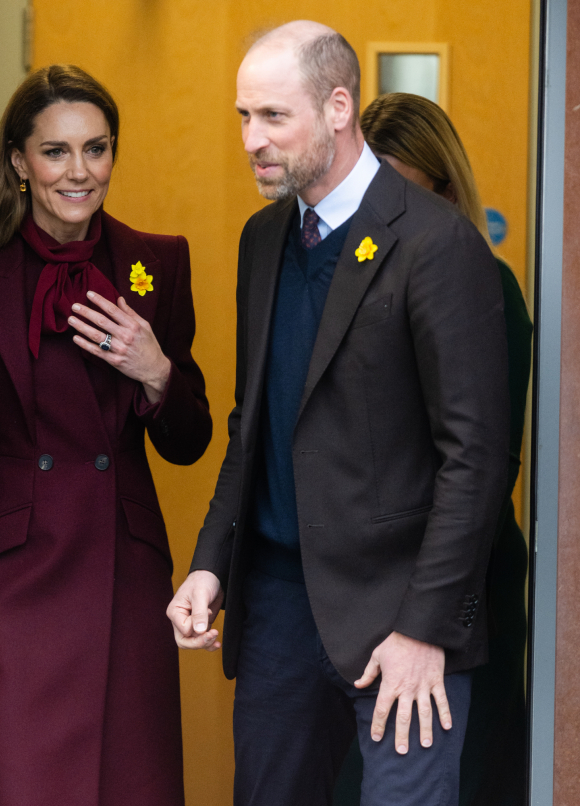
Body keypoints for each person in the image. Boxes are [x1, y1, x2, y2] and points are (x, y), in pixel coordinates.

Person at [166, 21, 509, 806]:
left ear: (338, 108)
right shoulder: (262, 241)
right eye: (243, 117)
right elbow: (250, 424)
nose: (253, 139)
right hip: (279, 614)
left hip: (403, 613)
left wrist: (427, 630)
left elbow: (476, 458)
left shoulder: (437, 246)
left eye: (274, 117)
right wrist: (210, 565)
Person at [0, 64, 212, 806]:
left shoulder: (158, 261)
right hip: (9, 596)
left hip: (125, 583)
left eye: (97, 148)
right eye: (56, 152)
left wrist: (156, 372)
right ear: (19, 161)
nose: (80, 171)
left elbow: (190, 438)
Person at [353, 92, 532, 806]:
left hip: (463, 591)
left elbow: (483, 465)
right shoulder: (347, 284)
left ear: (444, 188)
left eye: (396, 186)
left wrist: (422, 614)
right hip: (361, 597)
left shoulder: (488, 286)